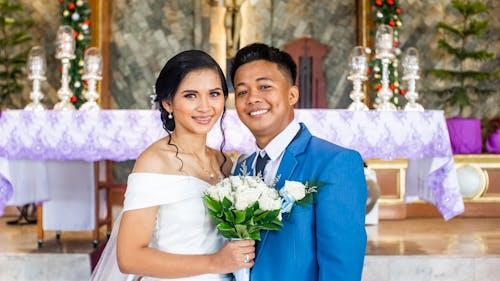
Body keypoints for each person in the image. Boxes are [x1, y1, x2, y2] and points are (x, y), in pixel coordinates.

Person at [91, 50, 255, 281]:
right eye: (191, 96)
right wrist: (215, 262)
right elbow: (129, 258)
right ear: (168, 102)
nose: (205, 107)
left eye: (214, 94)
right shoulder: (154, 162)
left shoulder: (226, 163)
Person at [230, 43, 367, 281]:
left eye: (264, 86)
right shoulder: (241, 168)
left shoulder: (335, 163)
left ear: (292, 94)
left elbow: (341, 268)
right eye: (242, 91)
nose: (252, 98)